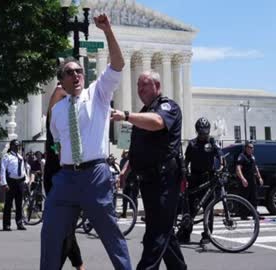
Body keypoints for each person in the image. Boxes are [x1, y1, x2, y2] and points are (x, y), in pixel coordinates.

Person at [41, 14, 132, 270]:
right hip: (66, 178)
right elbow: (57, 143)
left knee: (110, 235)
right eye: (70, 72)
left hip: (95, 175)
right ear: (63, 79)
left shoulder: (98, 94)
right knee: (50, 234)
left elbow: (117, 64)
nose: (77, 75)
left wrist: (108, 31)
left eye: (79, 71)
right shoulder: (57, 112)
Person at [113, 70, 187, 270]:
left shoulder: (167, 107)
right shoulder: (145, 112)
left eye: (143, 85)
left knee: (155, 235)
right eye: (138, 85)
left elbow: (157, 123)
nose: (139, 89)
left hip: (165, 180)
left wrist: (127, 115)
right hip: (148, 181)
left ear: (157, 86)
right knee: (164, 231)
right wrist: (126, 170)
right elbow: (137, 148)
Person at [43, 83, 84, 270]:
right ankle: (78, 266)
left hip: (69, 179)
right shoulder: (54, 122)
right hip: (55, 179)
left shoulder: (72, 128)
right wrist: (65, 90)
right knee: (64, 229)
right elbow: (56, 96)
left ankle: (77, 265)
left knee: (65, 229)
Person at [178, 117, 223, 245]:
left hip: (208, 178)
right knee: (192, 209)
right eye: (201, 132)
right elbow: (186, 162)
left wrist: (222, 164)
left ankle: (207, 235)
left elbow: (220, 154)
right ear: (197, 131)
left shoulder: (212, 142)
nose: (204, 135)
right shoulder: (192, 144)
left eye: (206, 132)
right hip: (194, 179)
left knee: (208, 208)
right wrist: (184, 172)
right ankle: (185, 233)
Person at [0, 139, 28, 231]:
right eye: (16, 146)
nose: (17, 147)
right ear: (11, 146)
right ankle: (6, 224)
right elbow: (3, 170)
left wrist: (26, 180)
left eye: (18, 146)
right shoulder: (7, 156)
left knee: (19, 204)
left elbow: (23, 169)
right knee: (8, 204)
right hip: (11, 182)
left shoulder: (20, 157)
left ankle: (19, 223)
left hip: (20, 182)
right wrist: (4, 183)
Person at [236, 142, 263, 220]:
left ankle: (255, 214)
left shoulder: (252, 157)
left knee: (254, 198)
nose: (252, 149)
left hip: (252, 180)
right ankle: (243, 215)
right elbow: (238, 169)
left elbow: (255, 167)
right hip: (245, 181)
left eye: (252, 148)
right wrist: (243, 179)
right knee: (245, 198)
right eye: (250, 147)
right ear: (246, 148)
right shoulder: (242, 156)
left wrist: (259, 177)